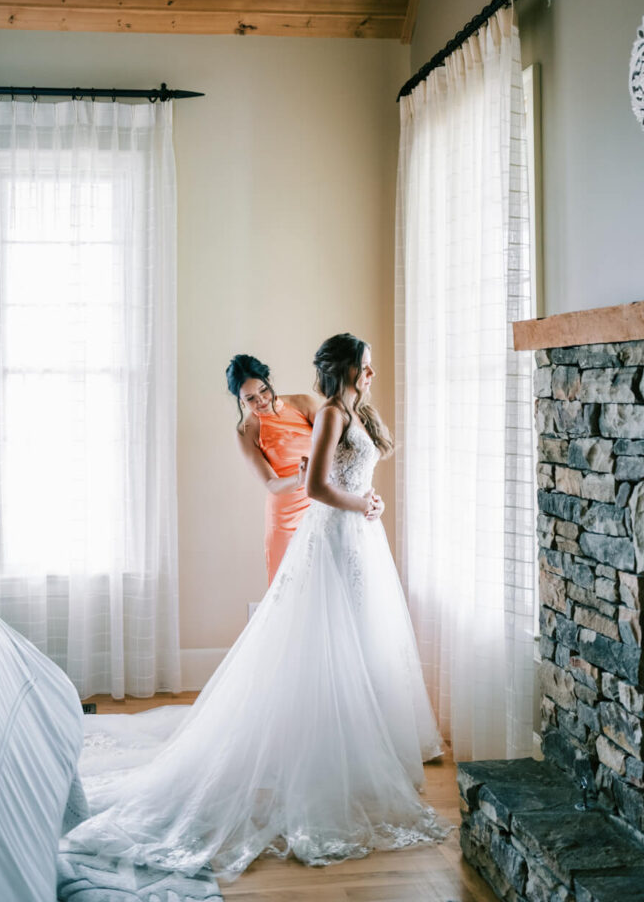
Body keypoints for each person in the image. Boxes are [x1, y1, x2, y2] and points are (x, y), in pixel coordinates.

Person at [64, 334, 448, 880]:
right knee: (317, 640)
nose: (372, 372)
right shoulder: (281, 424)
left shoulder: (324, 408)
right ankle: (322, 759)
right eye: (365, 366)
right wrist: (357, 498)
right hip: (324, 526)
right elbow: (307, 483)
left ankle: (361, 756)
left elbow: (346, 472)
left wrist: (370, 499)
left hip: (355, 532)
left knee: (359, 643)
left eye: (262, 390)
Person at [226, 353, 319, 583]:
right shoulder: (246, 430)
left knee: (321, 580)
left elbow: (339, 444)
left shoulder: (303, 404)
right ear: (240, 401)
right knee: (286, 586)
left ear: (270, 381)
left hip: (320, 501)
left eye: (263, 390)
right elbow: (271, 483)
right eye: (250, 398)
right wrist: (300, 479)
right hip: (284, 513)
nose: (261, 401)